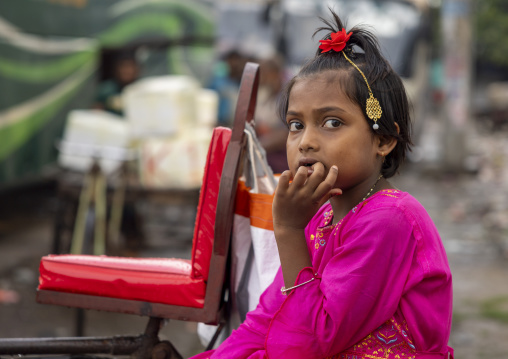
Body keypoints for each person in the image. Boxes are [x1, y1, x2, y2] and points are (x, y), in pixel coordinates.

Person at [190, 10, 453, 359]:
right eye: (296, 125)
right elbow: (264, 320)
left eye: (331, 122)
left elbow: (309, 346)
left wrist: (287, 229)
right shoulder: (322, 216)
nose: (306, 142)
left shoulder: (389, 219)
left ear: (384, 139)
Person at [255, 54, 289, 173]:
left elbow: (285, 134)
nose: (261, 77)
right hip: (267, 146)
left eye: (264, 73)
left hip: (280, 155)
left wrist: (257, 148)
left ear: (274, 73)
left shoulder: (286, 96)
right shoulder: (266, 94)